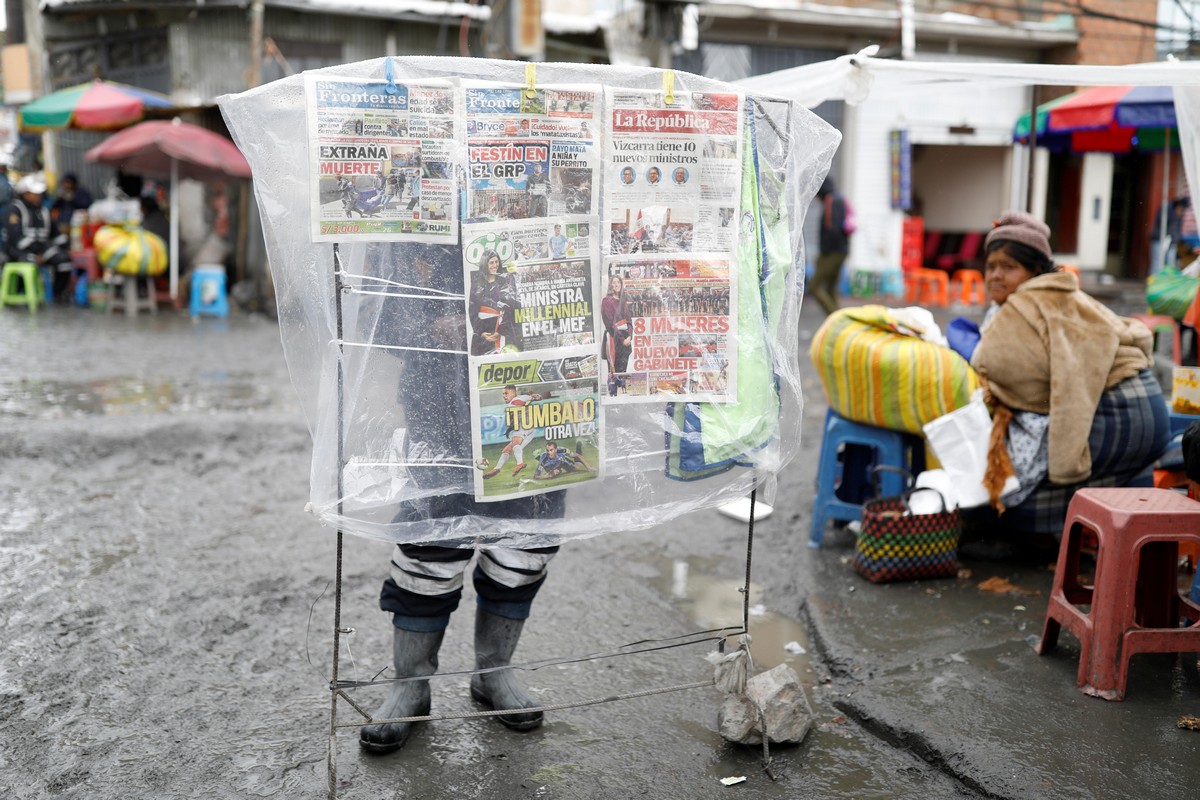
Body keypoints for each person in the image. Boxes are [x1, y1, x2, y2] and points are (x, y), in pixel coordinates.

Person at [359, 242, 566, 754]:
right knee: (429, 546)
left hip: (538, 403)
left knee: (524, 546)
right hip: (437, 409)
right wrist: (434, 326)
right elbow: (376, 317)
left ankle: (494, 673)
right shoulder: (409, 225)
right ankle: (409, 686)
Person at [966, 210, 1169, 545]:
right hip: (1149, 413)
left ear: (1035, 271)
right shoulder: (1063, 294)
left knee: (1009, 501)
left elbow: (989, 365)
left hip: (1120, 415)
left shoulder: (1024, 305)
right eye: (991, 266)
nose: (996, 276)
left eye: (1009, 267)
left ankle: (1040, 540)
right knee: (1092, 489)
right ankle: (1096, 537)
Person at [5, 172, 74, 301]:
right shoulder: (15, 209)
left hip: (42, 250)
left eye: (39, 193)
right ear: (25, 194)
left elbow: (56, 234)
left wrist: (67, 246)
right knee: (29, 262)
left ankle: (57, 294)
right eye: (34, 193)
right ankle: (21, 293)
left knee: (64, 260)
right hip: (18, 250)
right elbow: (16, 238)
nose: (38, 196)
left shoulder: (44, 210)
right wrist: (37, 253)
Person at [468, 249, 522, 355]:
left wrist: (500, 331)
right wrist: (481, 332)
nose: (495, 265)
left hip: (504, 330)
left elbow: (512, 306)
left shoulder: (507, 280)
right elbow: (472, 310)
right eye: (491, 262)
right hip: (485, 332)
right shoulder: (477, 284)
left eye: (496, 262)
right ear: (485, 264)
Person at [482, 384, 542, 478]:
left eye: (506, 393)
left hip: (525, 425)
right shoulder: (516, 401)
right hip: (530, 429)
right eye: (503, 393)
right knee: (507, 449)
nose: (504, 395)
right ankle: (497, 468)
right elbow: (531, 399)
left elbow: (522, 402)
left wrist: (533, 397)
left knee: (515, 443)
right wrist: (509, 430)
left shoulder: (516, 400)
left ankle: (520, 464)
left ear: (513, 392)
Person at [812, 177, 850, 316]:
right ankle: (838, 320)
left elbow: (832, 229)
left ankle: (835, 316)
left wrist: (824, 252)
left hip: (832, 252)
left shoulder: (831, 201)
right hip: (841, 250)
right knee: (830, 288)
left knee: (814, 286)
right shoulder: (838, 198)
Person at [601, 274, 632, 374]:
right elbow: (610, 324)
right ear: (610, 285)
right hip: (614, 341)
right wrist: (623, 340)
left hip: (625, 343)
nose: (616, 285)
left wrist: (630, 337)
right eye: (614, 282)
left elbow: (629, 321)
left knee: (623, 374)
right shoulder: (606, 301)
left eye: (618, 282)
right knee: (614, 375)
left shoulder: (623, 301)